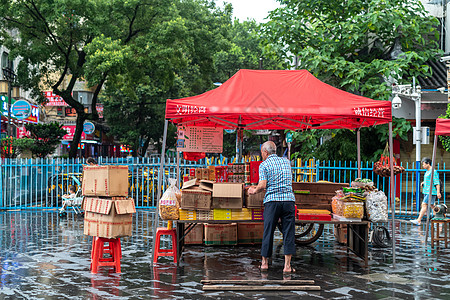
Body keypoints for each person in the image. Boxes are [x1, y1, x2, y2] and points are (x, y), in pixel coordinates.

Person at [248, 141, 296, 273]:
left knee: (268, 231)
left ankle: (264, 263)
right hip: (288, 201)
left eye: (262, 152)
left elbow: (262, 185)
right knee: (288, 233)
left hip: (272, 202)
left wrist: (253, 190)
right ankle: (287, 266)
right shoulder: (286, 162)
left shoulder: (264, 164)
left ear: (265, 152)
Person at [411, 157, 441, 225]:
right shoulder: (428, 171)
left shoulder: (433, 171)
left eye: (424, 164)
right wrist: (423, 182)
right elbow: (429, 180)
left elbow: (436, 182)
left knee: (424, 204)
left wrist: (438, 192)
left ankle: (419, 220)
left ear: (428, 164)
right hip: (426, 191)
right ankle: (439, 218)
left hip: (430, 192)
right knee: (432, 206)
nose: (423, 166)